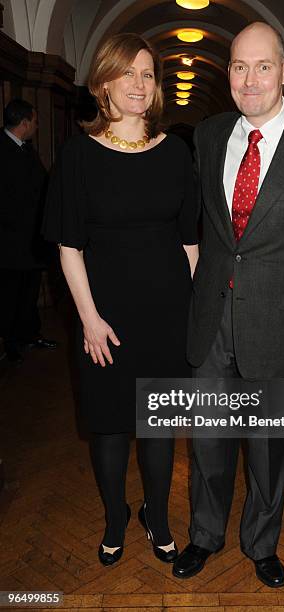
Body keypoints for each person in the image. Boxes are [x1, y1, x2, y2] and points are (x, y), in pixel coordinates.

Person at [173, 22, 284, 586]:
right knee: (207, 439)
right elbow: (201, 229)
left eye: (261, 66)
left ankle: (262, 543)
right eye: (237, 66)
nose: (249, 79)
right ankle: (205, 535)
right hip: (211, 321)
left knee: (268, 445)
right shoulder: (207, 135)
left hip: (281, 324)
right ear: (228, 72)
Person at [43, 33, 198, 566]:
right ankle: (116, 518)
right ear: (104, 82)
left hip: (167, 313)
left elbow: (191, 242)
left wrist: (195, 314)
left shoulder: (177, 151)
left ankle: (156, 515)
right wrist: (88, 319)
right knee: (109, 426)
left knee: (158, 426)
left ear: (156, 87)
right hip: (104, 316)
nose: (139, 83)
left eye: (148, 73)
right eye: (128, 73)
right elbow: (68, 247)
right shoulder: (79, 155)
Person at [0, 99, 57, 364]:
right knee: (11, 294)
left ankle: (29, 335)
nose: (36, 125)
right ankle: (10, 341)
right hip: (10, 241)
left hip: (31, 239)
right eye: (35, 121)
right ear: (24, 123)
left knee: (30, 291)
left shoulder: (27, 150)